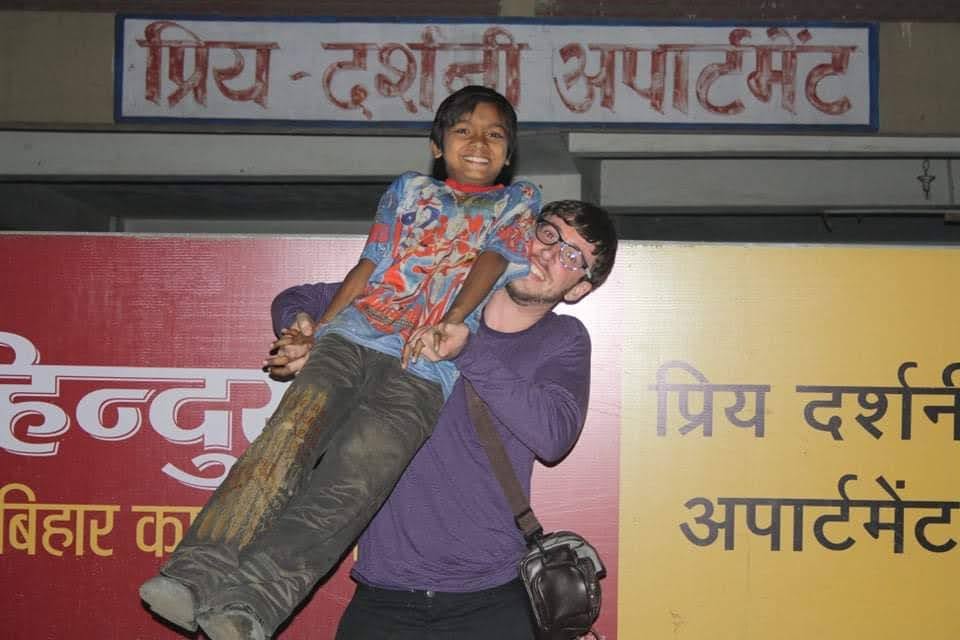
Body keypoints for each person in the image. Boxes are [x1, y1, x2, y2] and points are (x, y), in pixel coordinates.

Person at [139, 85, 540, 640]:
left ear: (509, 152)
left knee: (347, 488)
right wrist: (320, 333)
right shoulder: (407, 189)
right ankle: (193, 576)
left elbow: (492, 259)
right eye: (464, 130)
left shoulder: (519, 200)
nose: (479, 143)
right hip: (351, 338)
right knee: (283, 448)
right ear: (437, 145)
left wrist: (451, 320)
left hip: (424, 368)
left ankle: (252, 605)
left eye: (494, 135)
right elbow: (369, 264)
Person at [266, 199, 618, 639]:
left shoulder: (563, 340)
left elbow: (553, 436)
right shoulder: (427, 296)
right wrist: (308, 331)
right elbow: (299, 299)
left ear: (578, 289)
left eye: (571, 255)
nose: (548, 253)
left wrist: (467, 349)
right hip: (382, 594)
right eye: (548, 233)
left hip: (493, 599)